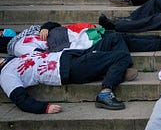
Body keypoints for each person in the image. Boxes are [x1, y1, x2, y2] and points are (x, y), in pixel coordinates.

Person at [0, 31, 135, 114]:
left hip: (69, 55)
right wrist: (44, 108)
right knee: (121, 56)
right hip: (67, 69)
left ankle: (116, 71)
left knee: (114, 38)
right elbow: (20, 99)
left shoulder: (13, 59)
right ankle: (106, 92)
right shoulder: (6, 75)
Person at [4, 20, 161, 57]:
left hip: (80, 35)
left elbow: (52, 24)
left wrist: (45, 27)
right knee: (124, 41)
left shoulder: (25, 33)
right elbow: (44, 56)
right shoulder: (18, 48)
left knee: (123, 37)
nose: (4, 32)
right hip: (78, 45)